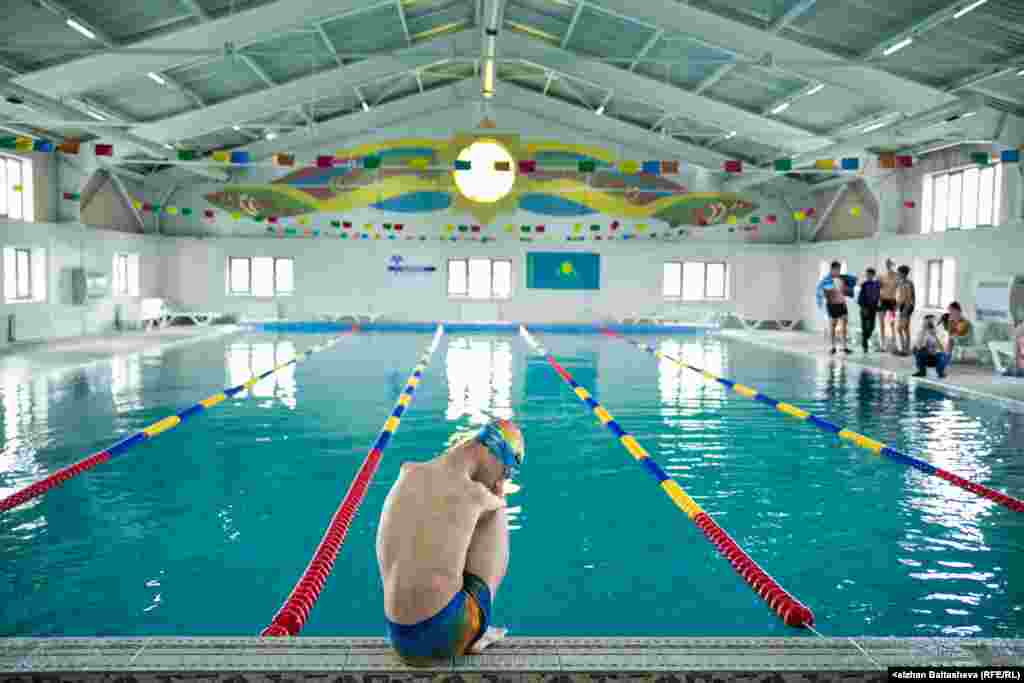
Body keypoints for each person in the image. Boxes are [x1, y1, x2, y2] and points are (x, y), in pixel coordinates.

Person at [377, 418, 525, 664]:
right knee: (497, 507)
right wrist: (498, 494)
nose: (505, 476)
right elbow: (495, 502)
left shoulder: (409, 472)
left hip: (399, 638)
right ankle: (477, 631)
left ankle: (464, 621)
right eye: (507, 470)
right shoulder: (474, 494)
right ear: (494, 453)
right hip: (441, 637)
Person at [816, 261, 855, 355]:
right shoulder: (826, 280)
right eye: (837, 269)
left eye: (839, 269)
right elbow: (819, 291)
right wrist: (820, 302)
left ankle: (844, 347)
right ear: (832, 269)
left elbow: (849, 285)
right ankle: (833, 347)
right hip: (832, 305)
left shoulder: (842, 279)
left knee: (844, 325)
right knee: (833, 326)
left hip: (842, 304)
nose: (838, 271)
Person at [912, 314, 949, 379]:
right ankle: (922, 371)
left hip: (938, 356)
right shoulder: (922, 332)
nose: (930, 325)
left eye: (931, 322)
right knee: (916, 349)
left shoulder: (943, 332)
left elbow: (943, 349)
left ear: (936, 323)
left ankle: (941, 372)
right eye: (927, 323)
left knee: (945, 354)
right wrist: (923, 332)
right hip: (927, 356)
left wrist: (935, 336)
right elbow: (918, 347)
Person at [857, 267, 881, 353]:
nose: (868, 276)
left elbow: (877, 297)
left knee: (872, 327)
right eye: (867, 275)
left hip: (873, 309)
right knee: (864, 328)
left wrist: (878, 307)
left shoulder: (877, 285)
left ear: (873, 275)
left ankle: (864, 340)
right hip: (864, 309)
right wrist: (864, 308)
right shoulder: (864, 285)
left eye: (869, 275)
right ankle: (865, 346)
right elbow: (860, 299)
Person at [877, 258, 899, 352]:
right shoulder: (881, 276)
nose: (889, 265)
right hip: (882, 301)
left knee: (892, 323)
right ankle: (883, 345)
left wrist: (898, 303)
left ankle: (894, 344)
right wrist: (878, 300)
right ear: (886, 265)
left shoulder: (897, 276)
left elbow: (900, 290)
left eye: (890, 264)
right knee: (881, 323)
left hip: (892, 302)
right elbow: (877, 289)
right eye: (888, 264)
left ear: (893, 264)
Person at [894, 265, 915, 356]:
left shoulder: (908, 283)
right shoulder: (901, 282)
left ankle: (904, 349)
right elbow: (901, 297)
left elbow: (909, 298)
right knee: (906, 329)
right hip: (903, 306)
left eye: (898, 272)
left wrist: (905, 310)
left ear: (903, 273)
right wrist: (897, 306)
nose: (897, 274)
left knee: (899, 329)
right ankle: (906, 349)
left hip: (907, 307)